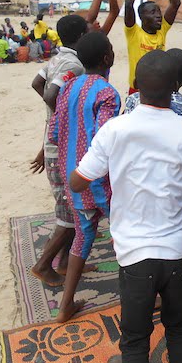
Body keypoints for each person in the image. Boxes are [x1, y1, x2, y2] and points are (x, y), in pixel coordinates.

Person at [69, 50, 182, 363]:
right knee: (179, 330)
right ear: (176, 88)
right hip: (177, 250)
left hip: (133, 257)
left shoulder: (116, 129)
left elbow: (78, 179)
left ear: (135, 89)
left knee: (133, 343)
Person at [49, 32, 119, 322]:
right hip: (100, 179)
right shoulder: (107, 92)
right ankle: (145, 294)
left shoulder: (68, 87)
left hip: (72, 176)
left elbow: (54, 132)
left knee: (83, 236)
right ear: (107, 58)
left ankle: (65, 304)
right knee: (124, 234)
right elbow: (106, 139)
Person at [29, 15, 88, 288]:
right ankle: (43, 265)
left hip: (54, 140)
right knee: (69, 212)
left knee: (74, 207)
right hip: (61, 144)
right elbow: (50, 93)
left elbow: (37, 83)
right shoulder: (73, 65)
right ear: (80, 35)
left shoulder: (56, 58)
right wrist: (60, 119)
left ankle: (65, 262)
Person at [124, 0, 181, 94]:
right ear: (141, 17)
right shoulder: (134, 33)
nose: (158, 15)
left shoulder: (162, 29)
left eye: (159, 11)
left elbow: (175, 4)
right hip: (137, 90)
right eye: (153, 12)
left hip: (159, 90)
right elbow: (129, 4)